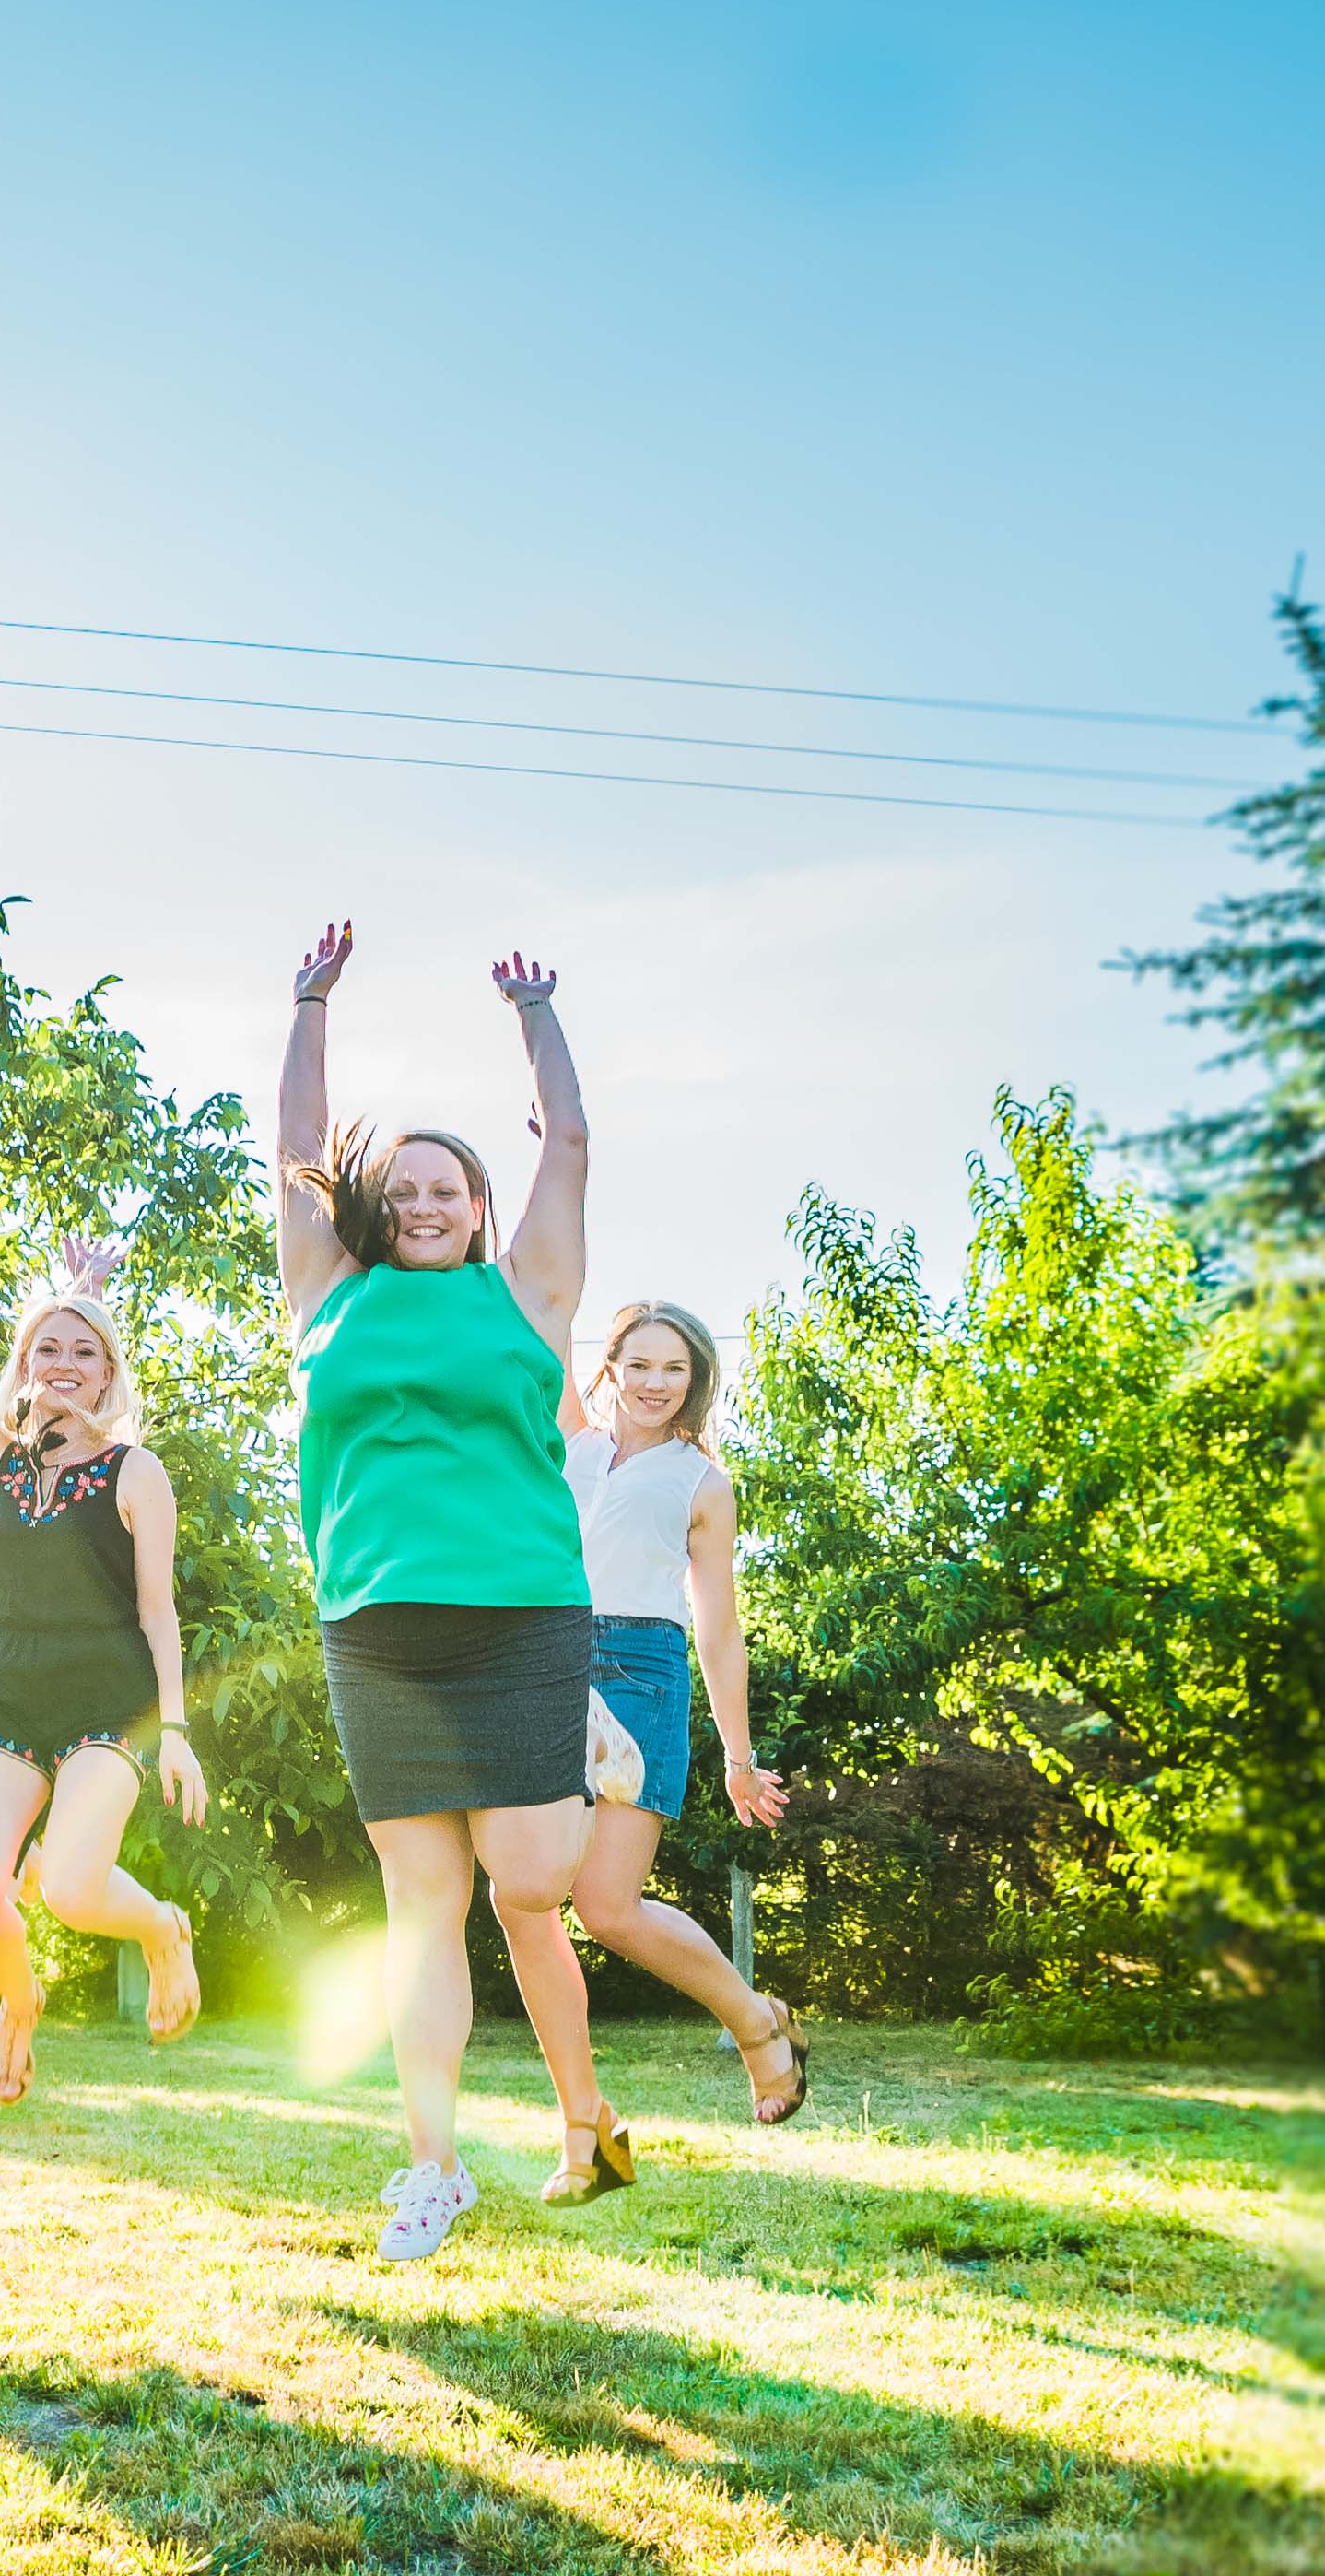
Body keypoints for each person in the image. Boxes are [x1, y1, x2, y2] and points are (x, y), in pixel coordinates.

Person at [276, 923, 599, 2263]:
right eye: (400, 1188)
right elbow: (289, 1152)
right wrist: (306, 1005)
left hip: (522, 1614)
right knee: (421, 1905)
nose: (420, 1204)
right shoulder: (326, 1292)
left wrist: (535, 1023)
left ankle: (584, 1751)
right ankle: (430, 2164)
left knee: (529, 1876)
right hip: (376, 1629)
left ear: (477, 1205)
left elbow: (569, 1150)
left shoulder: (528, 1293)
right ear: (373, 1202)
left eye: (446, 1188)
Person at [0, 1154, 208, 2104]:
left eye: (83, 1351)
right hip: (6, 1680)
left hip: (106, 1688)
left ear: (108, 1372)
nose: (62, 1365)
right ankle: (19, 2000)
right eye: (45, 1349)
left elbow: (159, 1612)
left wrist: (179, 1730)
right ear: (23, 1367)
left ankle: (160, 1927)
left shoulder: (133, 1471)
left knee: (70, 1889)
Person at [498, 1300, 812, 2202]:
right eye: (634, 1361)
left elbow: (718, 1629)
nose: (649, 1380)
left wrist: (737, 1755)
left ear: (693, 1382)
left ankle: (755, 2023)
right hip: (544, 1667)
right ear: (609, 1367)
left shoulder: (699, 1482)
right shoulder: (573, 1440)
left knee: (606, 1905)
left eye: (670, 1367)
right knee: (518, 1895)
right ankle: (585, 2129)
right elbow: (536, 1306)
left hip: (640, 1675)